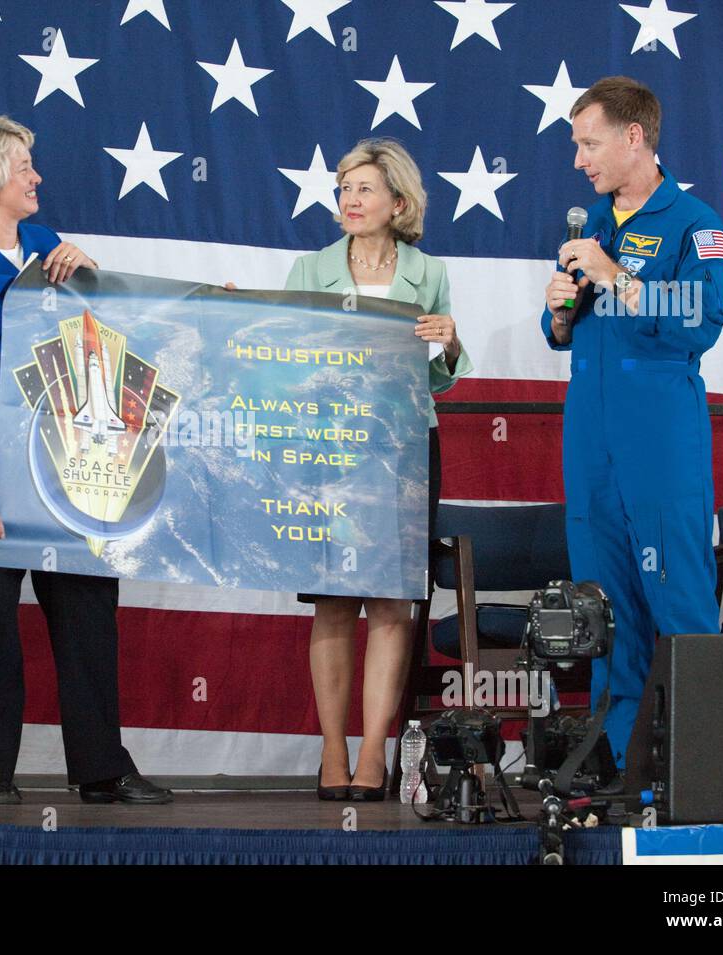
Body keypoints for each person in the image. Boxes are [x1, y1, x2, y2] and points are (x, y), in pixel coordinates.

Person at [0, 114, 172, 805]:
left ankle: (102, 769)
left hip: (65, 461)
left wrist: (92, 278)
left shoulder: (52, 247)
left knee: (87, 609)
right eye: (25, 166)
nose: (37, 177)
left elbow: (110, 343)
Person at [542, 76, 723, 767]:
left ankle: (703, 775)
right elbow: (562, 330)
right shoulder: (593, 224)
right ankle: (622, 774)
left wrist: (615, 274)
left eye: (589, 143)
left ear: (635, 137)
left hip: (659, 445)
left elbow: (704, 320)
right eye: (576, 145)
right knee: (604, 616)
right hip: (590, 445)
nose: (579, 160)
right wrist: (561, 309)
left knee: (678, 605)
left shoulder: (695, 222)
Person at [284, 139, 471, 800]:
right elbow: (284, 360)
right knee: (334, 602)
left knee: (393, 601)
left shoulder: (430, 271)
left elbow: (442, 379)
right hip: (327, 450)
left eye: (364, 189)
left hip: (402, 451)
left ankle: (374, 751)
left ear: (399, 200)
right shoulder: (308, 269)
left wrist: (448, 340)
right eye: (344, 190)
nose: (351, 201)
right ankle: (333, 749)